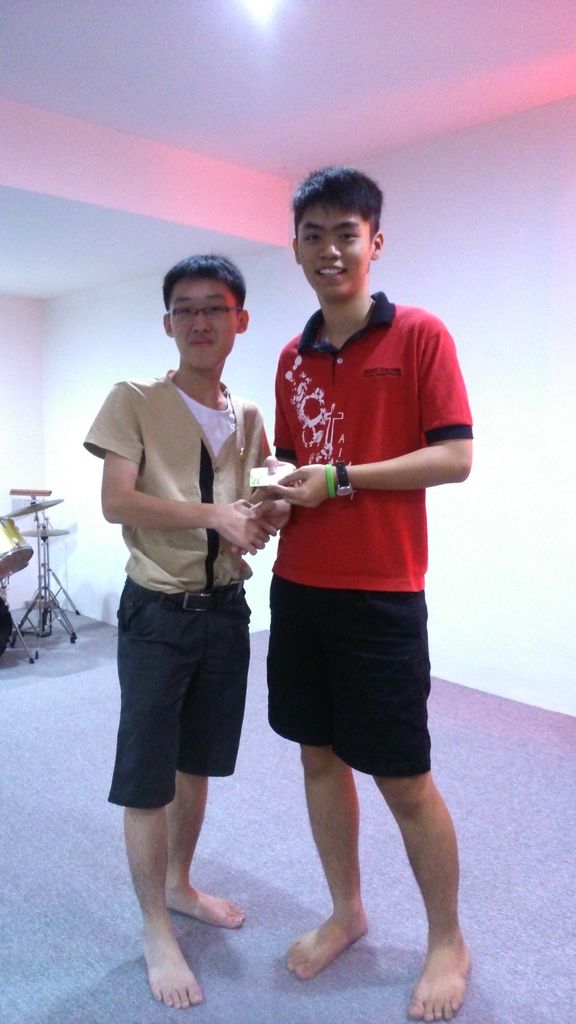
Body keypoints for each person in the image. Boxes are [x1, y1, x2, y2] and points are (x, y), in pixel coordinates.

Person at [267, 167, 473, 1022]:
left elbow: (455, 457)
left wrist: (343, 479)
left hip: (382, 594)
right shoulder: (290, 356)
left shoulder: (420, 334)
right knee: (318, 757)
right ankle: (347, 910)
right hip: (297, 590)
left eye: (345, 234)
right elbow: (292, 467)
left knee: (404, 779)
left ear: (374, 242)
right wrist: (267, 500)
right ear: (295, 248)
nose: (329, 250)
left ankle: (447, 940)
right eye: (312, 235)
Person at [84, 254, 287, 1010]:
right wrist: (216, 516)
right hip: (158, 614)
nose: (200, 322)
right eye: (185, 309)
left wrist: (270, 508)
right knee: (147, 776)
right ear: (168, 323)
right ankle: (153, 927)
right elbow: (117, 501)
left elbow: (259, 493)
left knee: (197, 764)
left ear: (240, 320)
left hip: (227, 613)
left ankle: (179, 884)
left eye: (215, 308)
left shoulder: (249, 416)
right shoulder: (134, 400)